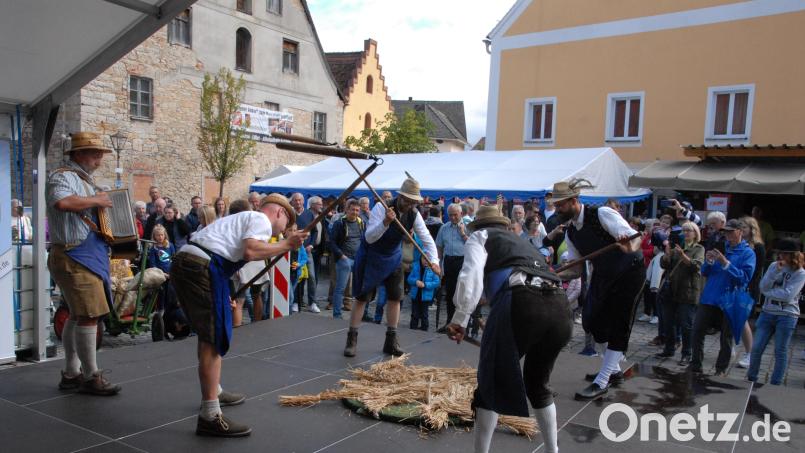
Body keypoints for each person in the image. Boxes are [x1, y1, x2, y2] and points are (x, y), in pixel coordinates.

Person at [170, 194, 307, 437]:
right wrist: (287, 245)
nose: (282, 230)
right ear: (280, 213)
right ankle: (210, 415)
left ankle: (215, 390)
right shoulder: (261, 220)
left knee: (208, 332)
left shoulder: (241, 218)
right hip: (202, 266)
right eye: (286, 223)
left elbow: (223, 251)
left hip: (190, 263)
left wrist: (223, 291)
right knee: (213, 339)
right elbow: (250, 251)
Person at [446, 205, 571, 453]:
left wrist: (460, 319)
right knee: (538, 385)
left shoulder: (479, 237)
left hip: (522, 303)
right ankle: (552, 451)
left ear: (478, 226)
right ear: (503, 225)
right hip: (559, 307)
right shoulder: (521, 243)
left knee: (490, 386)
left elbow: (471, 275)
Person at [549, 179, 645, 400]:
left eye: (561, 205)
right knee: (592, 320)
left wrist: (628, 246)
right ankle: (614, 371)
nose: (558, 210)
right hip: (604, 274)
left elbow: (635, 238)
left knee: (619, 324)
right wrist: (552, 274)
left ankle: (602, 381)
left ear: (574, 201)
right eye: (556, 205)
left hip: (629, 271)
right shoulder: (571, 233)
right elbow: (575, 270)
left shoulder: (602, 213)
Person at [46, 132, 121, 395]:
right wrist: (97, 200)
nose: (99, 159)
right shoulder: (62, 176)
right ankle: (90, 377)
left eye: (100, 154)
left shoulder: (84, 180)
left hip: (79, 255)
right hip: (74, 255)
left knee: (77, 314)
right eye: (94, 154)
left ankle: (71, 373)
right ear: (78, 154)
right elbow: (62, 202)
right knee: (88, 316)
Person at [344, 174, 440, 357]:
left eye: (414, 202)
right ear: (401, 196)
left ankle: (391, 341)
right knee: (362, 298)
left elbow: (426, 238)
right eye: (408, 200)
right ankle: (352, 339)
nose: (411, 204)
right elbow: (369, 237)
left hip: (393, 257)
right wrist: (385, 222)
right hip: (371, 256)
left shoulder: (414, 214)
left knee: (395, 297)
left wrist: (434, 261)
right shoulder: (381, 207)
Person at [689, 219, 755, 376]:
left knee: (726, 337)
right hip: (710, 297)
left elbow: (744, 278)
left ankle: (720, 370)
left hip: (730, 300)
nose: (728, 235)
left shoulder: (748, 253)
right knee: (697, 331)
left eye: (731, 231)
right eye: (726, 232)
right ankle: (695, 365)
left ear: (740, 232)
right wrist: (709, 262)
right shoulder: (721, 247)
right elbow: (704, 272)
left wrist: (725, 263)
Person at [747, 239, 805, 385]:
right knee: (757, 347)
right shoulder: (774, 266)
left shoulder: (800, 272)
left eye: (785, 254)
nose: (781, 256)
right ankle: (752, 378)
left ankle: (775, 383)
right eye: (780, 253)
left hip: (787, 314)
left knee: (780, 350)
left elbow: (788, 295)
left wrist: (769, 292)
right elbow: (763, 286)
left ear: (793, 255)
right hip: (767, 311)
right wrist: (775, 273)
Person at [656, 221, 704, 366]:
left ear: (695, 234)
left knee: (686, 324)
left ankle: (686, 354)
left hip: (688, 291)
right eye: (684, 231)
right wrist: (667, 254)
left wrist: (683, 255)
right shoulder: (676, 247)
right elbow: (664, 265)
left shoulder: (698, 248)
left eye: (689, 231)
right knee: (668, 322)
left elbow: (696, 267)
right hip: (671, 290)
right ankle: (669, 348)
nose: (686, 233)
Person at [148, 225, 189, 340]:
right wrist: (163, 274)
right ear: (154, 236)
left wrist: (174, 272)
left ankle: (174, 316)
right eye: (157, 235)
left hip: (171, 275)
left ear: (164, 235)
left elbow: (174, 259)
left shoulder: (170, 246)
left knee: (172, 296)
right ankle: (162, 316)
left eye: (162, 235)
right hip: (161, 276)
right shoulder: (154, 249)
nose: (160, 237)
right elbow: (153, 264)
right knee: (162, 296)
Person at [736, 216, 766, 368]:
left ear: (752, 229)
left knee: (743, 320)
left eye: (744, 227)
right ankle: (731, 348)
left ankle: (749, 354)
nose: (741, 230)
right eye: (740, 227)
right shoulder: (739, 244)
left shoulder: (758, 247)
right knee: (733, 318)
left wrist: (747, 286)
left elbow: (756, 271)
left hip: (749, 287)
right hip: (736, 286)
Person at [328, 199, 364, 319]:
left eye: (357, 210)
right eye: (352, 210)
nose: (355, 212)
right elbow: (332, 242)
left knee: (359, 288)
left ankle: (358, 314)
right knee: (340, 288)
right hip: (345, 259)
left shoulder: (361, 223)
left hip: (357, 259)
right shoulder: (339, 223)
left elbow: (363, 240)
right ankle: (337, 315)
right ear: (347, 210)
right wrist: (341, 256)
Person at [435, 203, 468, 332]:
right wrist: (439, 264)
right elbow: (439, 246)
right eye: (450, 215)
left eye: (455, 215)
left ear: (461, 214)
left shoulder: (468, 226)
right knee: (450, 293)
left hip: (463, 261)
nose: (453, 217)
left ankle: (462, 325)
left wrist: (463, 233)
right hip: (449, 261)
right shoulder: (444, 228)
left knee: (462, 295)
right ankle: (449, 322)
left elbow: (473, 245)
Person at [296, 195, 324, 313]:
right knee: (297, 277)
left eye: (300, 200)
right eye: (295, 200)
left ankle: (312, 302)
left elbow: (315, 231)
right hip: (295, 251)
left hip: (307, 252)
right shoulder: (290, 214)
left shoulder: (309, 214)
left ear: (303, 201)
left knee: (312, 276)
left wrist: (311, 244)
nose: (298, 202)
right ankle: (296, 302)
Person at [407, 243, 440, 330]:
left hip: (425, 297)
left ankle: (424, 330)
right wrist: (415, 282)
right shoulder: (415, 266)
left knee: (424, 315)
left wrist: (426, 285)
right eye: (424, 258)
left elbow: (437, 282)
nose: (426, 261)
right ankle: (412, 329)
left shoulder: (433, 269)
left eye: (428, 259)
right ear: (420, 257)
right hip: (415, 295)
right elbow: (409, 279)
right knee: (414, 314)